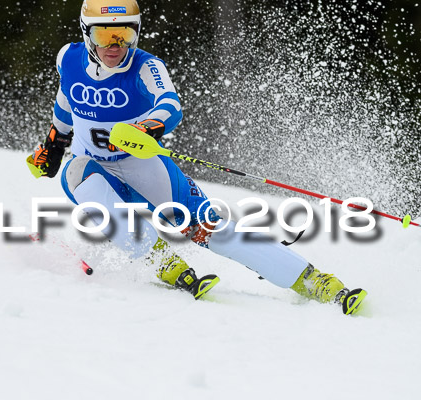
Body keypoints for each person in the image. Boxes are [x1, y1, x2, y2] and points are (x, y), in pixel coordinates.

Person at [27, 0, 367, 314]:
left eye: (125, 34)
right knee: (75, 173)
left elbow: (170, 105)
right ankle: (159, 258)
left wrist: (147, 126)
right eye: (105, 35)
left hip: (143, 166)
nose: (116, 46)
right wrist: (55, 143)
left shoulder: (146, 66)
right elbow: (66, 101)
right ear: (86, 33)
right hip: (94, 168)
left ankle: (314, 281)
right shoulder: (67, 58)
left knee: (210, 227)